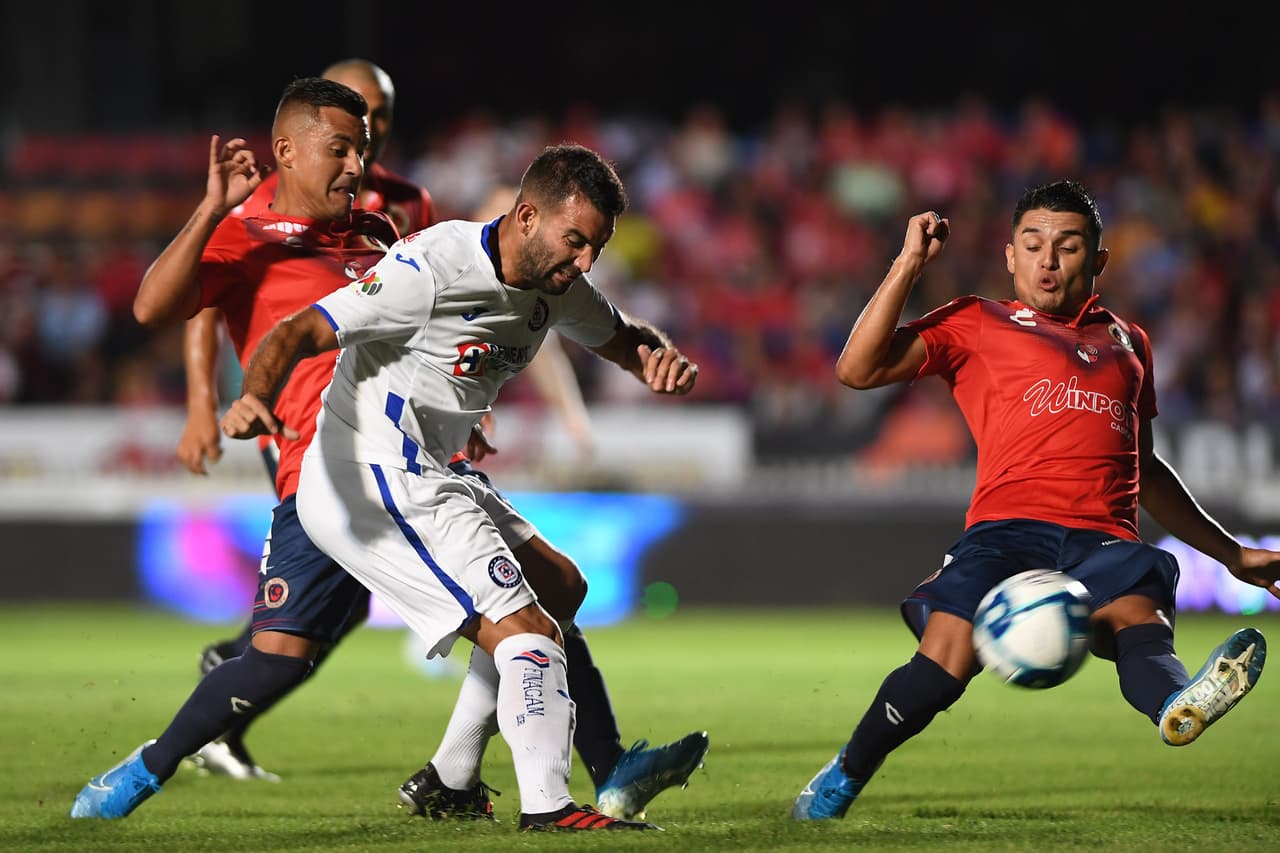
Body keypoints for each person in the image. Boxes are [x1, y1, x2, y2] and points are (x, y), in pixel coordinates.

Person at [169, 63, 706, 811]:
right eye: (578, 243)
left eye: (379, 119)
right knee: (496, 632)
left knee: (559, 589)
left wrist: (649, 354)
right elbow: (267, 318)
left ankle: (453, 778)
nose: (586, 263)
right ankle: (550, 804)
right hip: (350, 457)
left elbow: (606, 332)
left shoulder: (412, 216)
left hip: (428, 459)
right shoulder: (410, 254)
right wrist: (227, 397)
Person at [792, 180, 1278, 820]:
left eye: (1068, 246)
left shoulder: (1129, 344)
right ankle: (844, 777)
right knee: (944, 662)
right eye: (1034, 245)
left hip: (1104, 534)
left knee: (1141, 626)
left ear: (1098, 261)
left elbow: (1148, 468)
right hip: (1005, 531)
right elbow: (856, 370)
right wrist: (908, 262)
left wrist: (1232, 555)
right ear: (1011, 257)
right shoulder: (976, 321)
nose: (1049, 260)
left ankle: (1177, 707)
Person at [178, 57, 439, 783]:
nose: (370, 130)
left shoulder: (403, 205)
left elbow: (426, 307)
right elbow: (206, 296)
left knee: (349, 602)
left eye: (380, 115)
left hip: (384, 415)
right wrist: (203, 402)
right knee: (339, 576)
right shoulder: (271, 201)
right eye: (356, 115)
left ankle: (232, 670)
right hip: (301, 417)